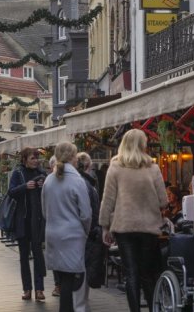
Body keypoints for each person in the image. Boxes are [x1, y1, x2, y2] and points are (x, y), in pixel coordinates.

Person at [99, 129, 168, 312]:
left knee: (131, 274)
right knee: (147, 274)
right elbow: (164, 200)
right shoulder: (153, 168)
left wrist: (105, 227)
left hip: (124, 228)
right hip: (149, 228)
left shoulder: (115, 167)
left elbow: (108, 200)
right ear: (142, 144)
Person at [41, 142, 92, 312]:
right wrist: (85, 231)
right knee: (71, 280)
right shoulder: (77, 180)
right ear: (73, 157)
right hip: (73, 235)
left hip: (53, 233)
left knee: (63, 279)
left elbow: (44, 211)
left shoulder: (49, 180)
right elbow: (86, 213)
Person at [8, 147, 47, 302]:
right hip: (22, 221)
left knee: (38, 255)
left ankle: (39, 289)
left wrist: (44, 186)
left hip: (37, 221)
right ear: (24, 159)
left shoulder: (42, 174)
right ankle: (27, 289)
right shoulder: (18, 173)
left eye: (37, 158)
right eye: (32, 158)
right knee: (24, 257)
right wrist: (25, 186)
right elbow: (11, 192)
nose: (36, 161)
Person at [75, 152, 102, 311]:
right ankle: (81, 304)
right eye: (90, 165)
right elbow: (87, 211)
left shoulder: (85, 182)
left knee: (83, 267)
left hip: (86, 230)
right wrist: (92, 229)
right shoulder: (86, 183)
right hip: (87, 231)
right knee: (83, 267)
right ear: (86, 166)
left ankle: (81, 303)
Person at [47, 155, 62, 298]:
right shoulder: (49, 181)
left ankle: (63, 285)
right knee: (57, 257)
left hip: (60, 225)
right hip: (54, 225)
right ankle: (58, 285)